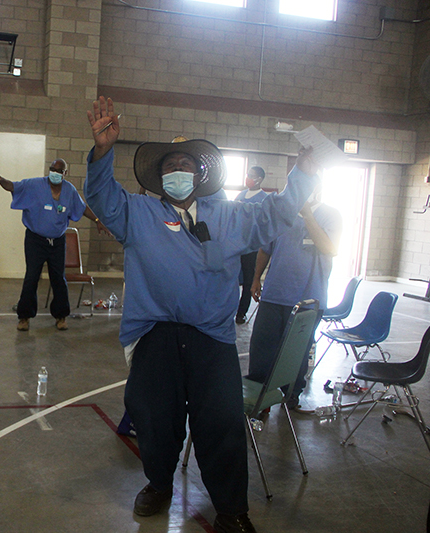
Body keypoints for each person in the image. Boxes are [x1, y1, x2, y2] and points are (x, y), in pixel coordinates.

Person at [85, 96, 319, 533]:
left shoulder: (229, 216)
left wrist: (302, 174)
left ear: (201, 175)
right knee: (153, 417)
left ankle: (231, 509)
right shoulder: (138, 213)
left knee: (222, 422)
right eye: (170, 166)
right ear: (160, 177)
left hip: (212, 338)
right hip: (155, 335)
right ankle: (159, 483)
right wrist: (101, 151)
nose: (178, 170)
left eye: (186, 165)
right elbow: (101, 197)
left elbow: (276, 213)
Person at [247, 183, 342, 408]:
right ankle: (258, 396)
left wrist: (308, 215)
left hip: (307, 299)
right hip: (274, 295)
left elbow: (329, 248)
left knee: (296, 351)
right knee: (261, 347)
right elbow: (265, 249)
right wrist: (256, 278)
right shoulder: (282, 215)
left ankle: (291, 393)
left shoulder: (330, 215)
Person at [0, 159, 107, 331]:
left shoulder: (69, 191)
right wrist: (1, 180)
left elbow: (81, 208)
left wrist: (97, 220)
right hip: (35, 240)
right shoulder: (35, 185)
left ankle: (61, 316)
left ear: (65, 173)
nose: (55, 173)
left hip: (57, 242)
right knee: (32, 277)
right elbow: (14, 187)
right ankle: (24, 317)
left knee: (58, 279)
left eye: (59, 171)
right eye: (52, 169)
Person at [234, 166, 268, 324]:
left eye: (251, 175)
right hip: (235, 244)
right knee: (232, 278)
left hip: (252, 246)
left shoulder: (264, 199)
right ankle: (228, 308)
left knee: (249, 279)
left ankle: (241, 312)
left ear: (259, 179)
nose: (248, 178)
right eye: (248, 174)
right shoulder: (241, 195)